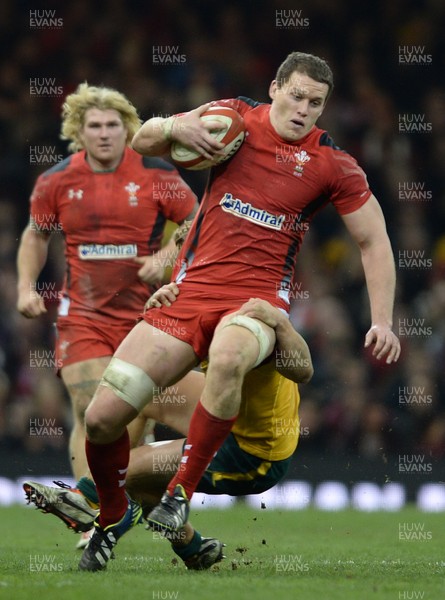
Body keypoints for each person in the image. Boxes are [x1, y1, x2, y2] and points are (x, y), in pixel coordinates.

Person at [76, 51, 400, 572]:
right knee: (101, 418)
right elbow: (144, 142)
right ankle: (113, 512)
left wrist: (381, 319)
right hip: (192, 294)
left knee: (229, 355)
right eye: (295, 95)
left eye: (315, 103)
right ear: (274, 88)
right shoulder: (233, 120)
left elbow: (374, 240)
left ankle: (178, 494)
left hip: (257, 303)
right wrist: (177, 122)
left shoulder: (332, 163)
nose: (303, 109)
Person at [16, 83, 198, 547]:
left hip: (148, 318)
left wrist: (163, 259)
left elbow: (198, 222)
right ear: (78, 131)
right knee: (94, 405)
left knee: (125, 417)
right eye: (94, 126)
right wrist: (24, 287)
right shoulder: (56, 180)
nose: (103, 134)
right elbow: (36, 236)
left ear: (127, 128)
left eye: (112, 125)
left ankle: (166, 528)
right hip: (83, 317)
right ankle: (96, 512)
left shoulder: (157, 174)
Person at [24, 288, 313, 570]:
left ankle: (89, 496)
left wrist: (280, 322)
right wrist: (159, 316)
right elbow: (155, 359)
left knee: (125, 474)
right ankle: (192, 548)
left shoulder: (253, 302)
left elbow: (304, 370)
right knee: (136, 390)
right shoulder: (202, 293)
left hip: (253, 451)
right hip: (230, 413)